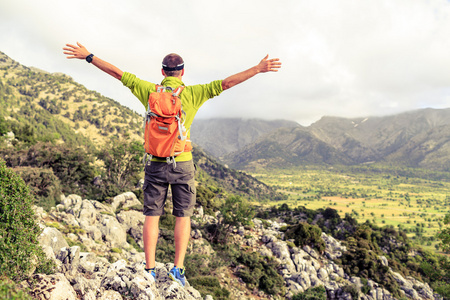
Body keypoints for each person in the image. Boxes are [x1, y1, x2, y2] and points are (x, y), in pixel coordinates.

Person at [63, 42, 281, 287]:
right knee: (183, 216)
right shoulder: (193, 93)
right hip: (182, 164)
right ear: (183, 72)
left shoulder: (148, 90)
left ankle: (150, 268)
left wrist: (89, 56)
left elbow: (118, 74)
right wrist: (258, 68)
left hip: (154, 164)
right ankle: (178, 269)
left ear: (163, 71)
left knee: (151, 216)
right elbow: (227, 83)